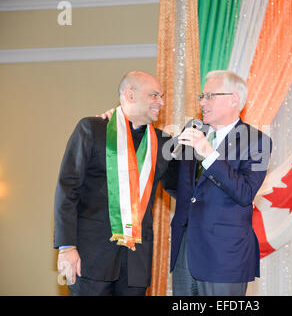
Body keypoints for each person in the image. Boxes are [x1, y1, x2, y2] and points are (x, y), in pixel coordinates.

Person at [54, 71, 176, 296]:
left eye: (162, 96)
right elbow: (67, 189)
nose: (161, 101)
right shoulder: (92, 129)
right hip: (90, 257)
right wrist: (67, 247)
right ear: (130, 95)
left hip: (136, 261)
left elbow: (184, 186)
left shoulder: (163, 142)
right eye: (154, 95)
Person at [170, 70, 272, 296]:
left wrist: (208, 153)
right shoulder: (194, 132)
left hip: (225, 256)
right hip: (185, 252)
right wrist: (129, 126)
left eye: (209, 96)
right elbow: (175, 181)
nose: (202, 103)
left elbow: (244, 192)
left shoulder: (258, 141)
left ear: (233, 99)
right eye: (201, 97)